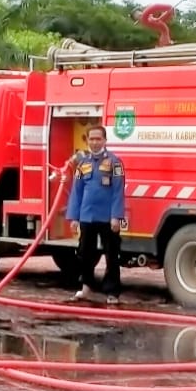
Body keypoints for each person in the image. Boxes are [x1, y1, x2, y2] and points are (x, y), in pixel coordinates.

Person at [66, 124, 125, 304]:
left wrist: (116, 216)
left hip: (108, 217)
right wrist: (74, 217)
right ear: (87, 141)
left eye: (98, 139)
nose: (94, 142)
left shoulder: (115, 162)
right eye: (91, 139)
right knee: (84, 253)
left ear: (105, 141)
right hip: (87, 216)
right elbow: (76, 191)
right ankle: (86, 287)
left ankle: (112, 292)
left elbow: (118, 190)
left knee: (111, 255)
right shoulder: (83, 164)